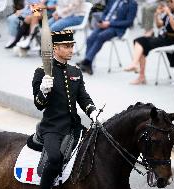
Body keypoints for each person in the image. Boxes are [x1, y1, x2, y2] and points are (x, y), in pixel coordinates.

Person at [32, 30, 103, 189]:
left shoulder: (75, 71)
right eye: (66, 46)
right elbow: (38, 105)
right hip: (52, 127)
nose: (71, 49)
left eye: (72, 46)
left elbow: (83, 97)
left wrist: (92, 111)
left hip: (74, 126)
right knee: (55, 159)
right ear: (55, 48)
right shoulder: (42, 72)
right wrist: (43, 91)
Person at [124, 0, 174, 84]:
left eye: (171, 1)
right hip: (162, 37)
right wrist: (156, 15)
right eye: (168, 2)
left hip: (171, 40)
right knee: (139, 41)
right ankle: (139, 71)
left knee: (140, 42)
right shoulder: (171, 11)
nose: (169, 3)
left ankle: (137, 69)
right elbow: (159, 25)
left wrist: (169, 14)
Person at [77, 0, 138, 75]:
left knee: (101, 36)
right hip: (104, 25)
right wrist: (101, 21)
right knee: (90, 39)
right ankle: (87, 64)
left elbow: (129, 22)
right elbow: (105, 12)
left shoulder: (132, 4)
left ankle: (86, 61)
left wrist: (109, 23)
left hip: (117, 28)